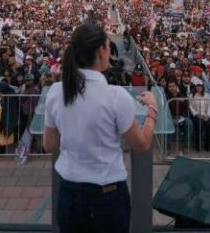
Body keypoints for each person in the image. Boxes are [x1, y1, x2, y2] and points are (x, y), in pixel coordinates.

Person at [43, 23, 158, 233]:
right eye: (108, 47)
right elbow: (141, 144)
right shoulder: (116, 96)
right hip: (108, 196)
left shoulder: (55, 91)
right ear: (100, 51)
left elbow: (49, 144)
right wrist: (153, 109)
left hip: (69, 192)